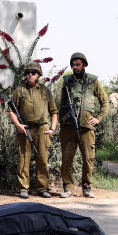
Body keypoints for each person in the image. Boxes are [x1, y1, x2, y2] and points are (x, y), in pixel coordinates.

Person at [58, 52, 109, 198]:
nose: (75, 67)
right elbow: (62, 104)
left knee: (88, 158)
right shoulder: (67, 81)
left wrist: (98, 118)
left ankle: (86, 186)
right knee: (67, 158)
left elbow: (104, 102)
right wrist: (61, 123)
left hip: (86, 127)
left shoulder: (93, 81)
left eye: (78, 64)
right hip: (68, 127)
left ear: (84, 65)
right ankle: (68, 187)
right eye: (73, 65)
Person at [8, 61, 58, 199]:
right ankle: (23, 188)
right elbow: (11, 110)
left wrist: (52, 128)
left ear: (38, 75)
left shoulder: (45, 91)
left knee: (42, 159)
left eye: (33, 73)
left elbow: (54, 111)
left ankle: (42, 188)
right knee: (23, 159)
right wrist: (18, 125)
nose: (30, 75)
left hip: (42, 129)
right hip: (25, 129)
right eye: (28, 73)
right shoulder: (20, 90)